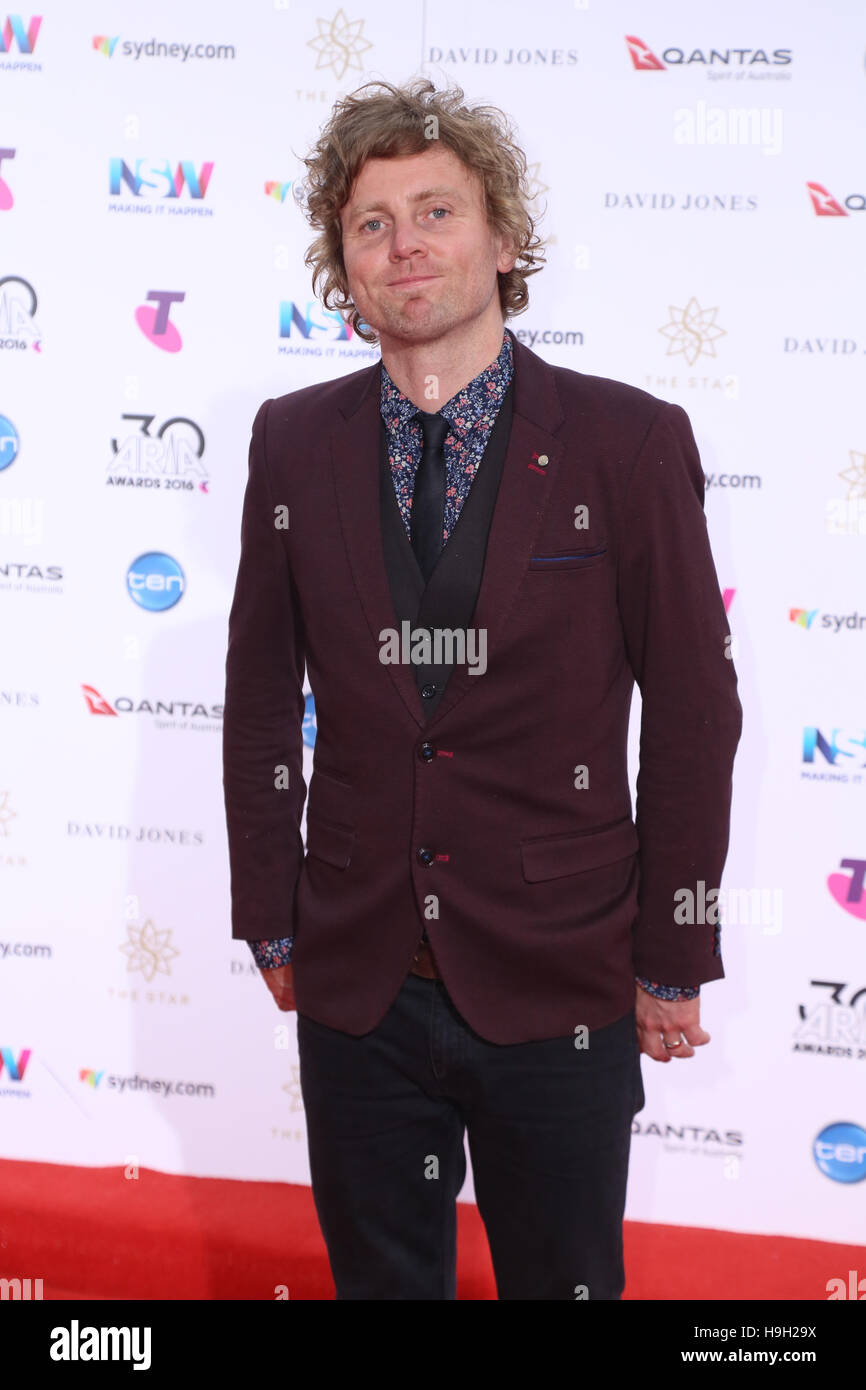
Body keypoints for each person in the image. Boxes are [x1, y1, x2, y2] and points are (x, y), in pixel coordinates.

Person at [222, 77, 743, 1300]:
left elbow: (688, 705)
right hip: (356, 982)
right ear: (342, 266)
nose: (405, 243)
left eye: (437, 210)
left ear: (503, 242)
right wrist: (271, 911)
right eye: (370, 222)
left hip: (562, 971)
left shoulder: (626, 440)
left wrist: (671, 950)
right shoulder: (291, 441)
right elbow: (256, 691)